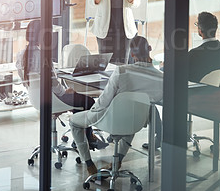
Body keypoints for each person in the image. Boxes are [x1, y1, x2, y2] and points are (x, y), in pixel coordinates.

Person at [69, 35, 164, 177]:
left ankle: (89, 164)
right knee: (130, 116)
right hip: (136, 120)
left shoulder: (122, 71)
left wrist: (92, 112)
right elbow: (156, 100)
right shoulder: (161, 77)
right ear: (149, 50)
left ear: (132, 54)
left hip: (111, 119)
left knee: (74, 122)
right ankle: (117, 160)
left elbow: (104, 101)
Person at [16, 19, 103, 148]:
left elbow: (26, 80)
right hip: (54, 99)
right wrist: (65, 91)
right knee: (88, 102)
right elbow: (54, 83)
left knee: (79, 102)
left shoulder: (21, 55)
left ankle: (82, 137)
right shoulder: (43, 56)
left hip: (36, 99)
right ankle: (85, 139)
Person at [188, 11, 220, 83]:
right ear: (216, 28)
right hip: (215, 90)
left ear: (200, 30)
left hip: (195, 91)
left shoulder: (193, 54)